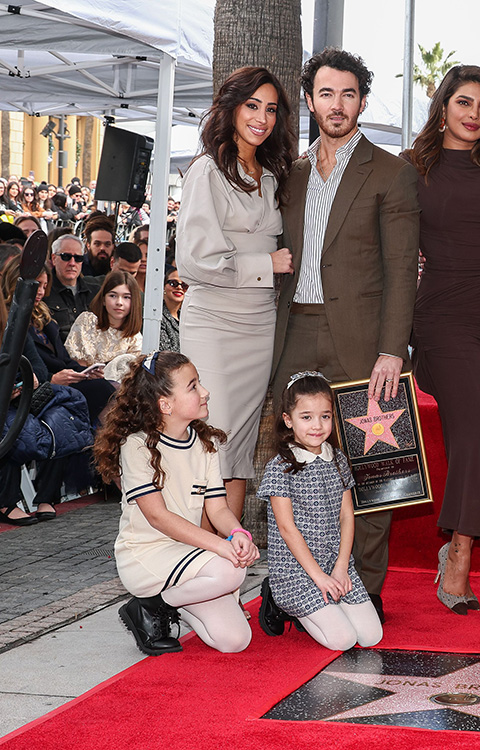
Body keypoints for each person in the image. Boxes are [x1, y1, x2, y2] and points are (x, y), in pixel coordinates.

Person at [270, 48, 419, 622]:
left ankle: (364, 584)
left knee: (372, 464)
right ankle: (290, 586)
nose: (338, 104)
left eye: (349, 93)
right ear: (309, 101)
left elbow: (402, 269)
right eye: (326, 93)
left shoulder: (391, 172)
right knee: (289, 464)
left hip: (364, 342)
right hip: (295, 333)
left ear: (362, 99)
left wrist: (391, 350)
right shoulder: (292, 175)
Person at [402, 65, 480, 616]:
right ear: (443, 106)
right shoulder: (411, 169)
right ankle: (462, 552)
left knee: (476, 434)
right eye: (464, 103)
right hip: (441, 318)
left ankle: (455, 539)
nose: (474, 115)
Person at [176, 66, 295, 523]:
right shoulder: (207, 171)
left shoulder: (270, 174)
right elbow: (193, 261)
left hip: (260, 324)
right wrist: (265, 263)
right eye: (252, 106)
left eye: (270, 109)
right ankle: (199, 567)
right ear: (230, 108)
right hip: (216, 325)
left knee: (240, 446)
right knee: (214, 442)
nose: (262, 118)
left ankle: (229, 563)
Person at [94, 351, 259, 656]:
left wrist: (238, 536)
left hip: (184, 555)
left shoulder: (205, 444)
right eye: (193, 386)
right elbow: (158, 517)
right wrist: (219, 547)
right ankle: (150, 608)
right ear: (165, 404)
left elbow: (218, 508)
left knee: (235, 641)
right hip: (146, 555)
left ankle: (171, 602)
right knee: (230, 570)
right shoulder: (137, 446)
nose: (205, 392)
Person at [257, 372, 383, 650]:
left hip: (334, 565)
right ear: (288, 420)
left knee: (372, 636)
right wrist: (319, 577)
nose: (317, 425)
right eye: (306, 417)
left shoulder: (337, 459)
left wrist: (340, 567)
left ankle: (321, 609)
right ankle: (278, 599)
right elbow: (287, 529)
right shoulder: (280, 467)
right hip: (298, 572)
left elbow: (347, 516)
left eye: (325, 416)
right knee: (344, 640)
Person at [1, 258, 115, 427]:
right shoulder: (12, 322)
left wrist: (85, 372)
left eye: (44, 286)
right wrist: (52, 379)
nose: (40, 291)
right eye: (37, 285)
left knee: (111, 386)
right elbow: (33, 369)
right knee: (105, 390)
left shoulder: (42, 315)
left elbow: (60, 359)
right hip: (38, 392)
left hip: (55, 381)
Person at [65, 269, 143, 378]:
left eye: (126, 297)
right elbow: (77, 364)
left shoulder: (135, 337)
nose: (119, 303)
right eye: (113, 296)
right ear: (103, 300)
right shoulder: (87, 321)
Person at [44, 234, 102, 341]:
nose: (72, 263)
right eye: (66, 257)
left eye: (78, 258)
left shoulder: (96, 292)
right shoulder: (43, 293)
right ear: (54, 258)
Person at [159, 266, 186, 352]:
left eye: (184, 285)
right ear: (163, 287)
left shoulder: (187, 317)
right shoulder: (158, 316)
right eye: (173, 283)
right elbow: (165, 352)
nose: (179, 287)